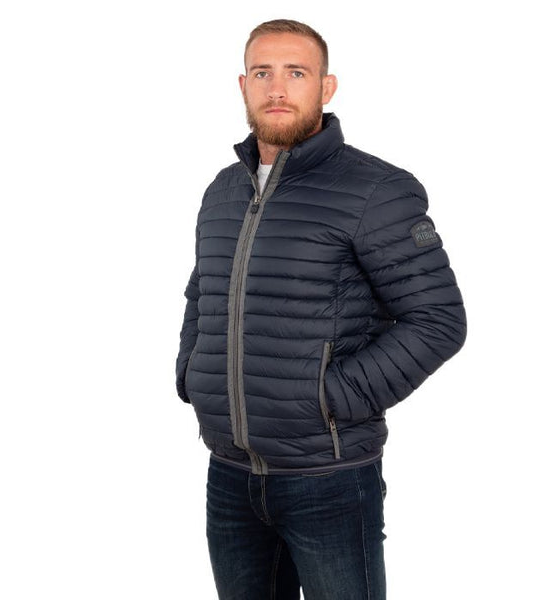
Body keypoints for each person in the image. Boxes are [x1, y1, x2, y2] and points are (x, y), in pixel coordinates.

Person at [175, 18, 466, 600]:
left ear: (326, 87)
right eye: (263, 73)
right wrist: (192, 376)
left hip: (328, 479)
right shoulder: (223, 191)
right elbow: (202, 293)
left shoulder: (375, 189)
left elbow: (438, 320)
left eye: (296, 73)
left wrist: (332, 397)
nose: (277, 88)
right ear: (243, 86)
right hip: (229, 473)